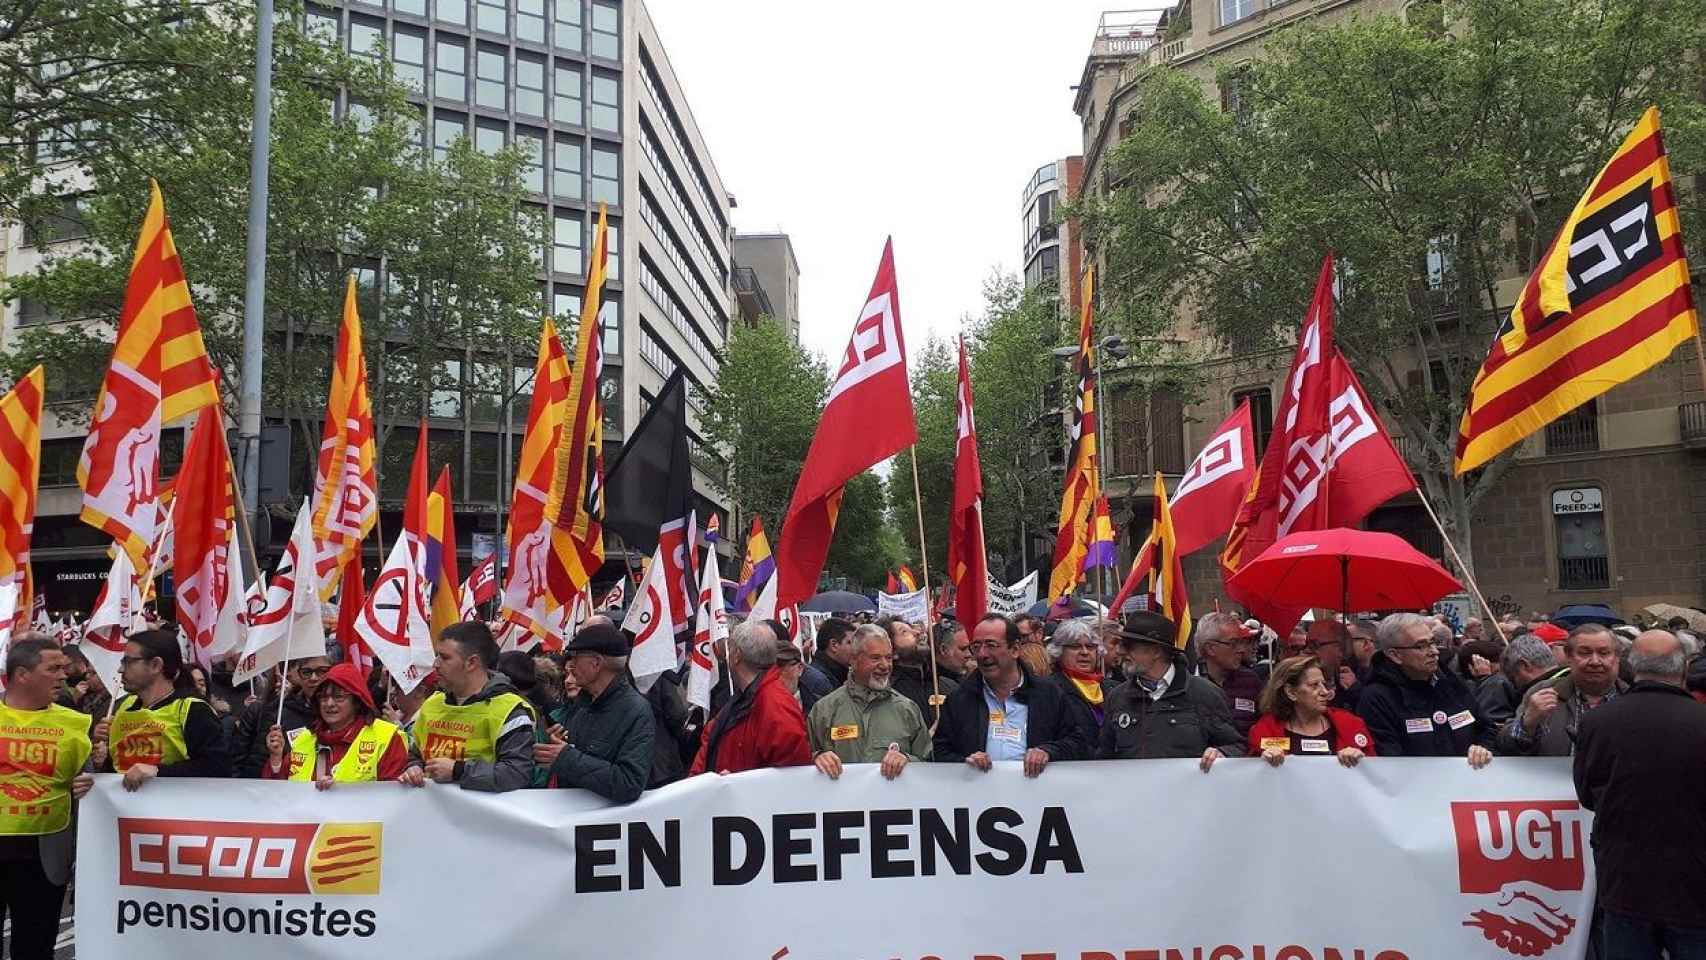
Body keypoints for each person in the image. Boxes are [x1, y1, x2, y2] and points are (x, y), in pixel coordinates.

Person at [1574, 630, 1706, 960]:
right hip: (1696, 882)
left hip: (1625, 883)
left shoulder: (1597, 722)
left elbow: (1587, 795)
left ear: (1631, 666)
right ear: (1685, 668)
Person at [0, 639, 95, 960]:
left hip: (44, 855)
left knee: (35, 949)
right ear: (22, 674)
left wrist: (95, 779)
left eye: (64, 669)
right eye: (53, 668)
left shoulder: (76, 723)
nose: (63, 676)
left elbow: (92, 790)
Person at [934, 613, 1089, 776]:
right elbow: (940, 751)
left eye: (991, 645)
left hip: (1037, 794)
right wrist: (966, 761)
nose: (982, 654)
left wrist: (1048, 751)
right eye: (976, 646)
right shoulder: (960, 699)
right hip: (979, 796)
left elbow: (1077, 743)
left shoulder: (1048, 695)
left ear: (1015, 649)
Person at [1099, 611, 1243, 769]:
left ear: (1156, 652)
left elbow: (1236, 746)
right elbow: (1104, 757)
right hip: (1135, 792)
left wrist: (1221, 753)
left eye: (1129, 646)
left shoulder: (1204, 694)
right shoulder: (1117, 697)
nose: (1120, 651)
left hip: (1188, 792)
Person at [91, 629, 230, 787]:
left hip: (173, 809)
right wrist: (97, 771)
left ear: (156, 665)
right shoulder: (124, 707)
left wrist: (159, 772)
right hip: (128, 809)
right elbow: (116, 770)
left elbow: (218, 768)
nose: (120, 670)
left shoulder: (192, 708)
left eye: (128, 662)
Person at [532, 623, 654, 802]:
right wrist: (555, 745)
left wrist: (566, 757)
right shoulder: (582, 704)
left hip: (604, 826)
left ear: (596, 663)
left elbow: (629, 783)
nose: (571, 665)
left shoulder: (636, 711)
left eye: (576, 657)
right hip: (571, 820)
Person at [1355, 613, 1493, 767]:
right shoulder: (1377, 697)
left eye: (1433, 642)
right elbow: (1388, 758)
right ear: (1395, 655)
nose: (1434, 651)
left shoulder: (1450, 682)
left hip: (1469, 781)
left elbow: (1486, 729)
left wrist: (1483, 749)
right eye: (1421, 646)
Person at [410, 621, 535, 792]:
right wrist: (413, 768)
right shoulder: (432, 703)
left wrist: (458, 771)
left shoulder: (509, 710)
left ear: (471, 663)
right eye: (437, 656)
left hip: (481, 816)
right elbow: (414, 755)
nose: (435, 664)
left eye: (445, 657)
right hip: (432, 813)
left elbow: (517, 773)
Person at [808, 624, 931, 780]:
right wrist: (817, 758)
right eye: (875, 658)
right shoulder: (825, 710)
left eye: (888, 657)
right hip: (844, 803)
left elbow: (928, 763)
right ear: (853, 660)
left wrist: (908, 759)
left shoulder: (907, 709)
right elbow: (802, 763)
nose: (885, 665)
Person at [687, 621, 810, 776]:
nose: (727, 656)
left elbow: (793, 777)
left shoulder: (775, 707)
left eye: (729, 649)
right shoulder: (744, 701)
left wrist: (740, 783)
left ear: (737, 655)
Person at [263, 663, 415, 787]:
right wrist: (276, 759)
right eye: (323, 697)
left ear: (356, 702)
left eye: (338, 697)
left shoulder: (387, 737)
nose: (329, 704)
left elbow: (394, 798)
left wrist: (341, 797)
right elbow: (277, 799)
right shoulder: (303, 739)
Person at [1498, 623, 1627, 757]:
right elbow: (1506, 748)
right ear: (1569, 657)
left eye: (1604, 653)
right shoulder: (1542, 691)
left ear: (1617, 658)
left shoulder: (1633, 697)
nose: (1595, 661)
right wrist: (1527, 724)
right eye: (1584, 653)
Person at [1247, 655, 1375, 766]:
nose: (1325, 692)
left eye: (1324, 684)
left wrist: (1361, 760)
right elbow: (1252, 778)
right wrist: (1264, 761)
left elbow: (1373, 773)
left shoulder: (1351, 724)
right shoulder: (1266, 730)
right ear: (1291, 692)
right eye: (1314, 685)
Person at [231, 654, 331, 778]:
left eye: (322, 671)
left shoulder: (343, 715)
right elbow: (257, 765)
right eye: (306, 672)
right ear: (298, 674)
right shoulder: (277, 713)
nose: (313, 678)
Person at [1195, 612, 1263, 738]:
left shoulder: (1251, 682)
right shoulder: (1186, 684)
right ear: (1211, 649)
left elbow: (1265, 731)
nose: (1241, 650)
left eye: (1242, 643)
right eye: (1234, 643)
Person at [1478, 635, 1563, 730]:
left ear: (1524, 666)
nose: (1516, 687)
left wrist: (1525, 723)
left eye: (1513, 678)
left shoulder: (1537, 697)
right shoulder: (1573, 680)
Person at [1044, 619, 1113, 732]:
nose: (1085, 652)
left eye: (1090, 647)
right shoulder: (1048, 689)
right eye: (1075, 647)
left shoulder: (1115, 688)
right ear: (1058, 652)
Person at [799, 616, 855, 714]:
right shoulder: (819, 681)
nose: (855, 649)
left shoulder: (838, 674)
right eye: (850, 643)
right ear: (834, 645)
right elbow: (832, 724)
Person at [934, 621, 971, 688]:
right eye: (963, 649)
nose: (969, 654)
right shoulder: (936, 686)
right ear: (944, 650)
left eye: (969, 648)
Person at [1015, 613, 1052, 678]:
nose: (1019, 641)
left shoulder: (1055, 659)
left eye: (1024, 636)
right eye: (1017, 637)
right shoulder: (1015, 660)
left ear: (1039, 633)